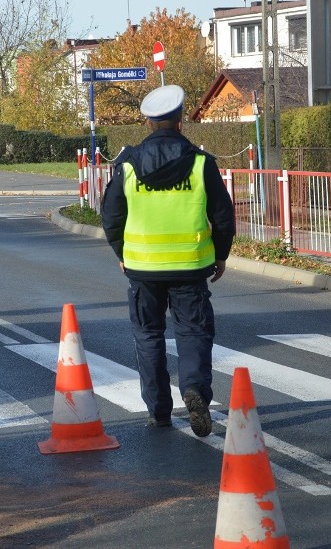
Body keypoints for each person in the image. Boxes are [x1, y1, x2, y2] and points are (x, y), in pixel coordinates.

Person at [100, 84, 235, 437]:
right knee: (193, 333)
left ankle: (159, 411)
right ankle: (194, 390)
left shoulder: (127, 165)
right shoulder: (201, 164)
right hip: (190, 268)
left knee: (148, 336)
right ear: (180, 120)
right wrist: (220, 255)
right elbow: (223, 215)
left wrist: (122, 254)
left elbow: (111, 215)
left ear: (147, 122)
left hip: (142, 269)